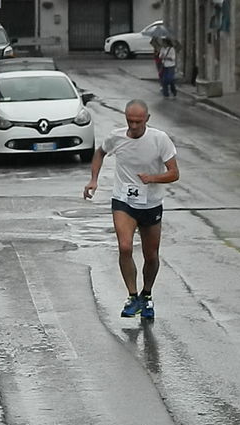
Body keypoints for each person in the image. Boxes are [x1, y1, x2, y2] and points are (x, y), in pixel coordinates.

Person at [83, 99, 179, 319]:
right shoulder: (116, 137)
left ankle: (146, 295)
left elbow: (174, 173)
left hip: (151, 202)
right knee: (125, 247)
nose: (134, 126)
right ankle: (132, 295)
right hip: (123, 201)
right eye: (130, 121)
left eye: (138, 121)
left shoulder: (159, 140)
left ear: (147, 119)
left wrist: (153, 178)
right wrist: (93, 180)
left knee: (151, 255)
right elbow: (100, 153)